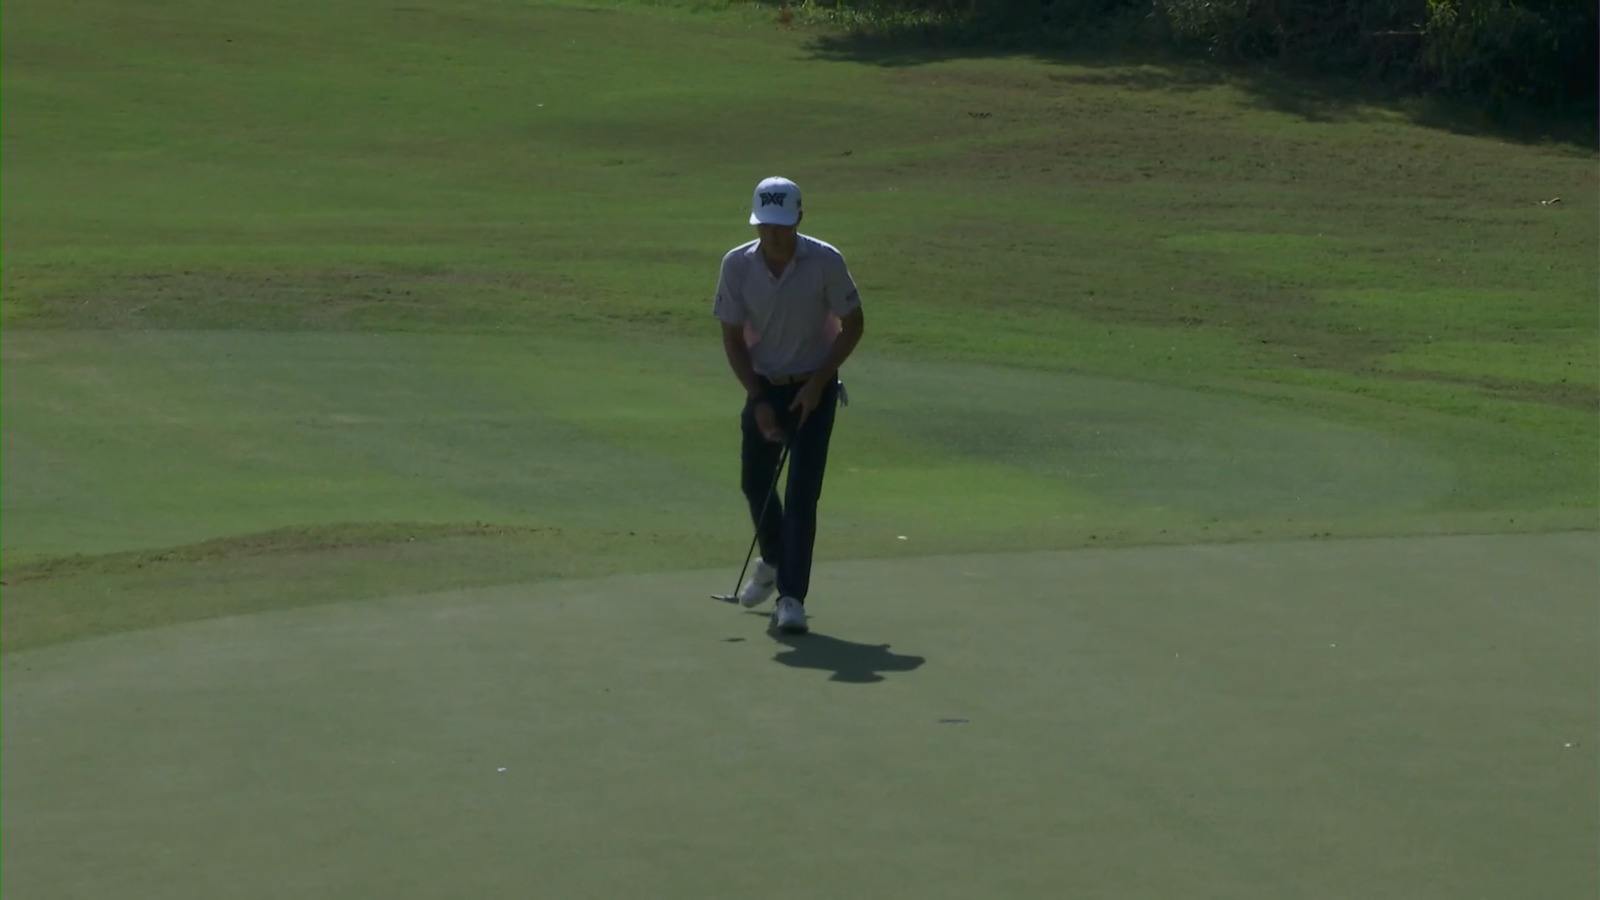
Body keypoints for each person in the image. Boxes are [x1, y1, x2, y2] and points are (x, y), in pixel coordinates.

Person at [713, 176, 866, 634]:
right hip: (765, 384)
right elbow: (732, 338)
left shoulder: (825, 262)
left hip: (814, 388)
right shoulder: (737, 266)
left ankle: (791, 598)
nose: (773, 235)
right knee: (754, 482)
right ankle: (776, 558)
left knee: (801, 495)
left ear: (799, 217)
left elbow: (854, 324)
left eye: (781, 225)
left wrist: (820, 382)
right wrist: (757, 397)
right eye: (765, 226)